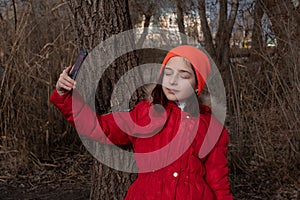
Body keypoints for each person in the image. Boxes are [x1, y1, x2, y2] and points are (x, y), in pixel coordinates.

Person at [49, 45, 233, 200]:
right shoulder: (146, 113)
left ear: (197, 85)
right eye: (168, 73)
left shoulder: (212, 128)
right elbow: (99, 127)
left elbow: (218, 181)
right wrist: (65, 96)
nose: (173, 80)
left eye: (184, 75)